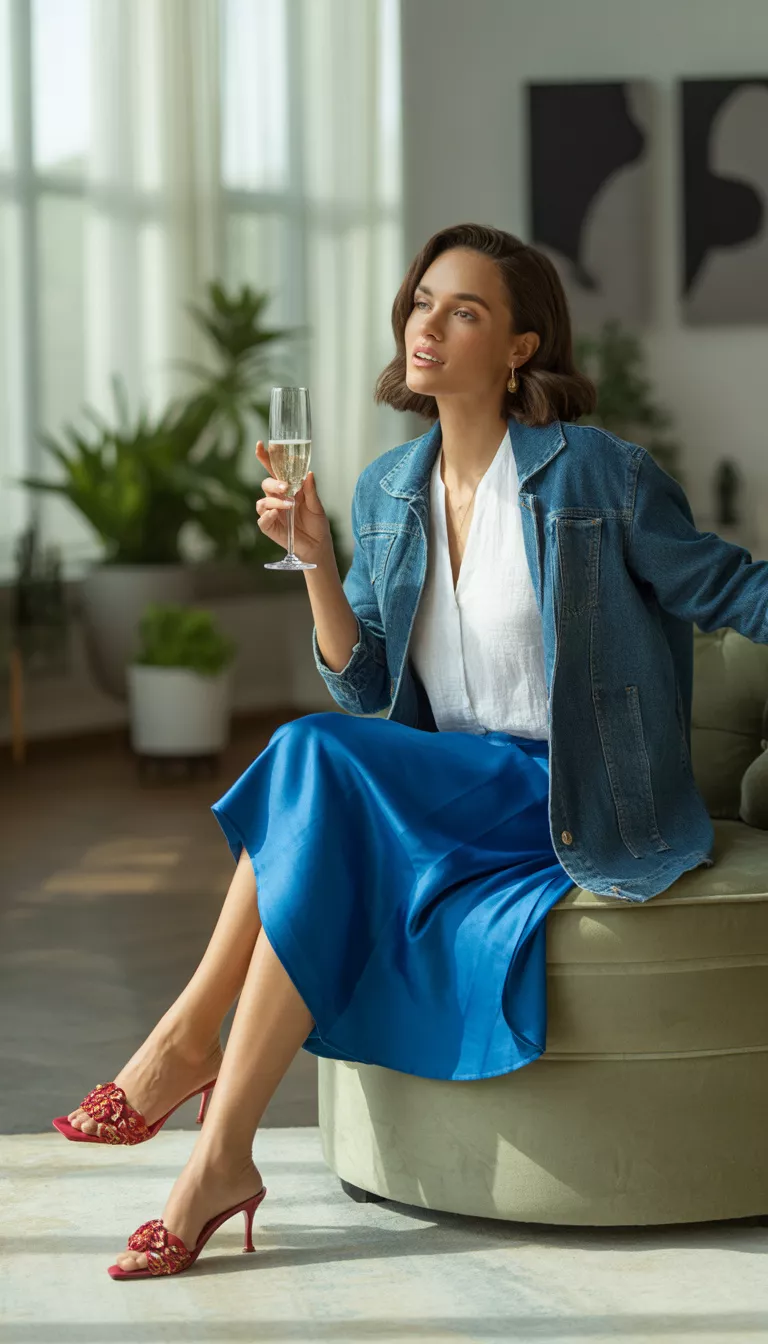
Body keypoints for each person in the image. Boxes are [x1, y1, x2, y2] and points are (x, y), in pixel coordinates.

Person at [52, 222, 768, 1280]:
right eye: (422, 301)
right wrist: (313, 565)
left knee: (308, 758)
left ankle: (186, 1050)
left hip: (569, 789)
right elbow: (371, 684)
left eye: (464, 310)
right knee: (314, 790)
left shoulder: (596, 476)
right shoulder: (389, 489)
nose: (427, 325)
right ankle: (219, 1156)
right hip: (451, 786)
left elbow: (733, 586)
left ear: (522, 347)